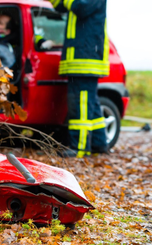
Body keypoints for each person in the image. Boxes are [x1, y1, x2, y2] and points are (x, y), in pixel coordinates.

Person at [47, 0, 110, 158]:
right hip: (80, 59)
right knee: (90, 104)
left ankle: (79, 147)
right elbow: (61, 6)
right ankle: (99, 143)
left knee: (80, 104)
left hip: (85, 59)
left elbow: (80, 7)